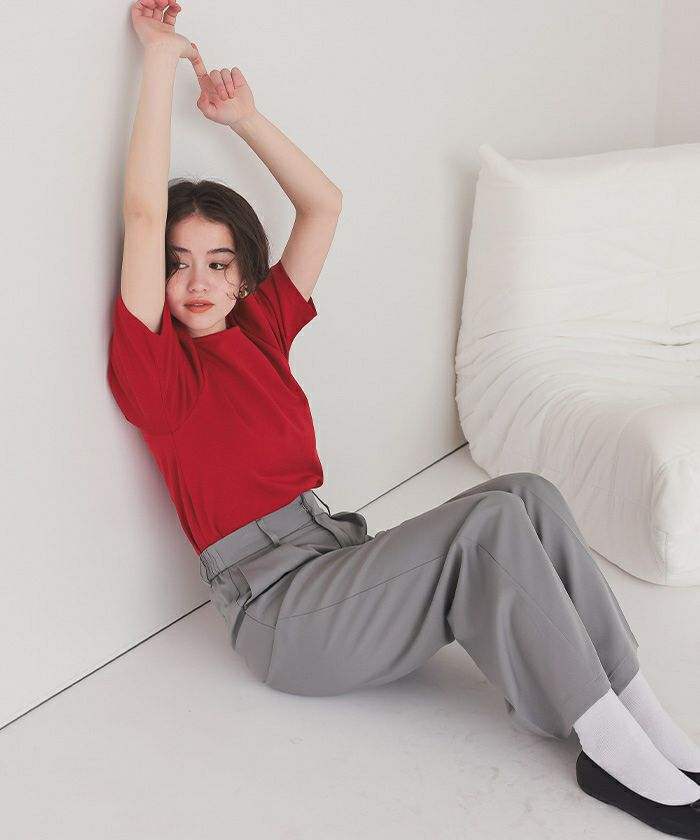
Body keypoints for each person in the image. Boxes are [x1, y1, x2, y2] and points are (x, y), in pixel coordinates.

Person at [108, 2, 700, 835]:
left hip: (334, 558)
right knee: (490, 524)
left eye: (217, 262)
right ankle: (606, 747)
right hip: (280, 617)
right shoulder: (158, 374)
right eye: (176, 265)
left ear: (244, 278)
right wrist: (160, 58)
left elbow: (324, 205)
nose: (196, 282)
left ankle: (636, 708)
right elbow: (140, 213)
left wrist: (245, 120)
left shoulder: (261, 331)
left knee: (526, 493)